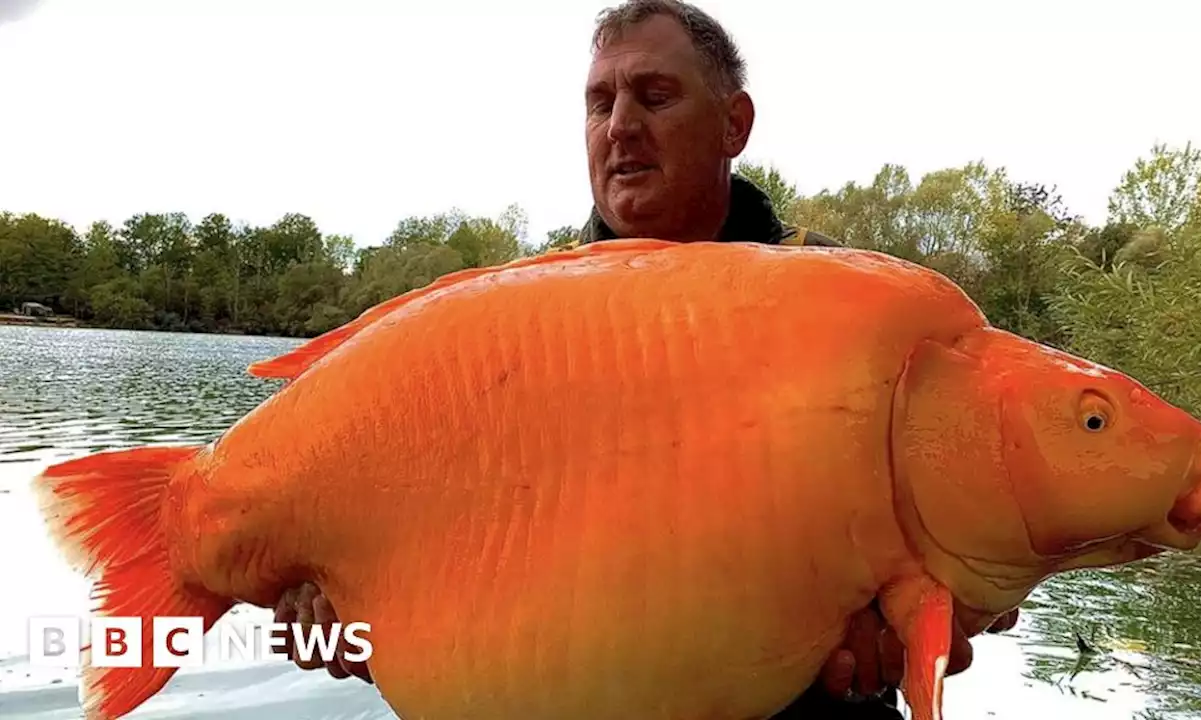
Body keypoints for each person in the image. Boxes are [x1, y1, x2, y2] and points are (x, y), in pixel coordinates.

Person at [271, 1, 1021, 717]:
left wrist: (942, 613)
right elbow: (446, 571)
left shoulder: (862, 309)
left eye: (655, 96)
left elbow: (999, 534)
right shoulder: (511, 324)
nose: (621, 125)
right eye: (600, 104)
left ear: (735, 123)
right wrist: (347, 616)